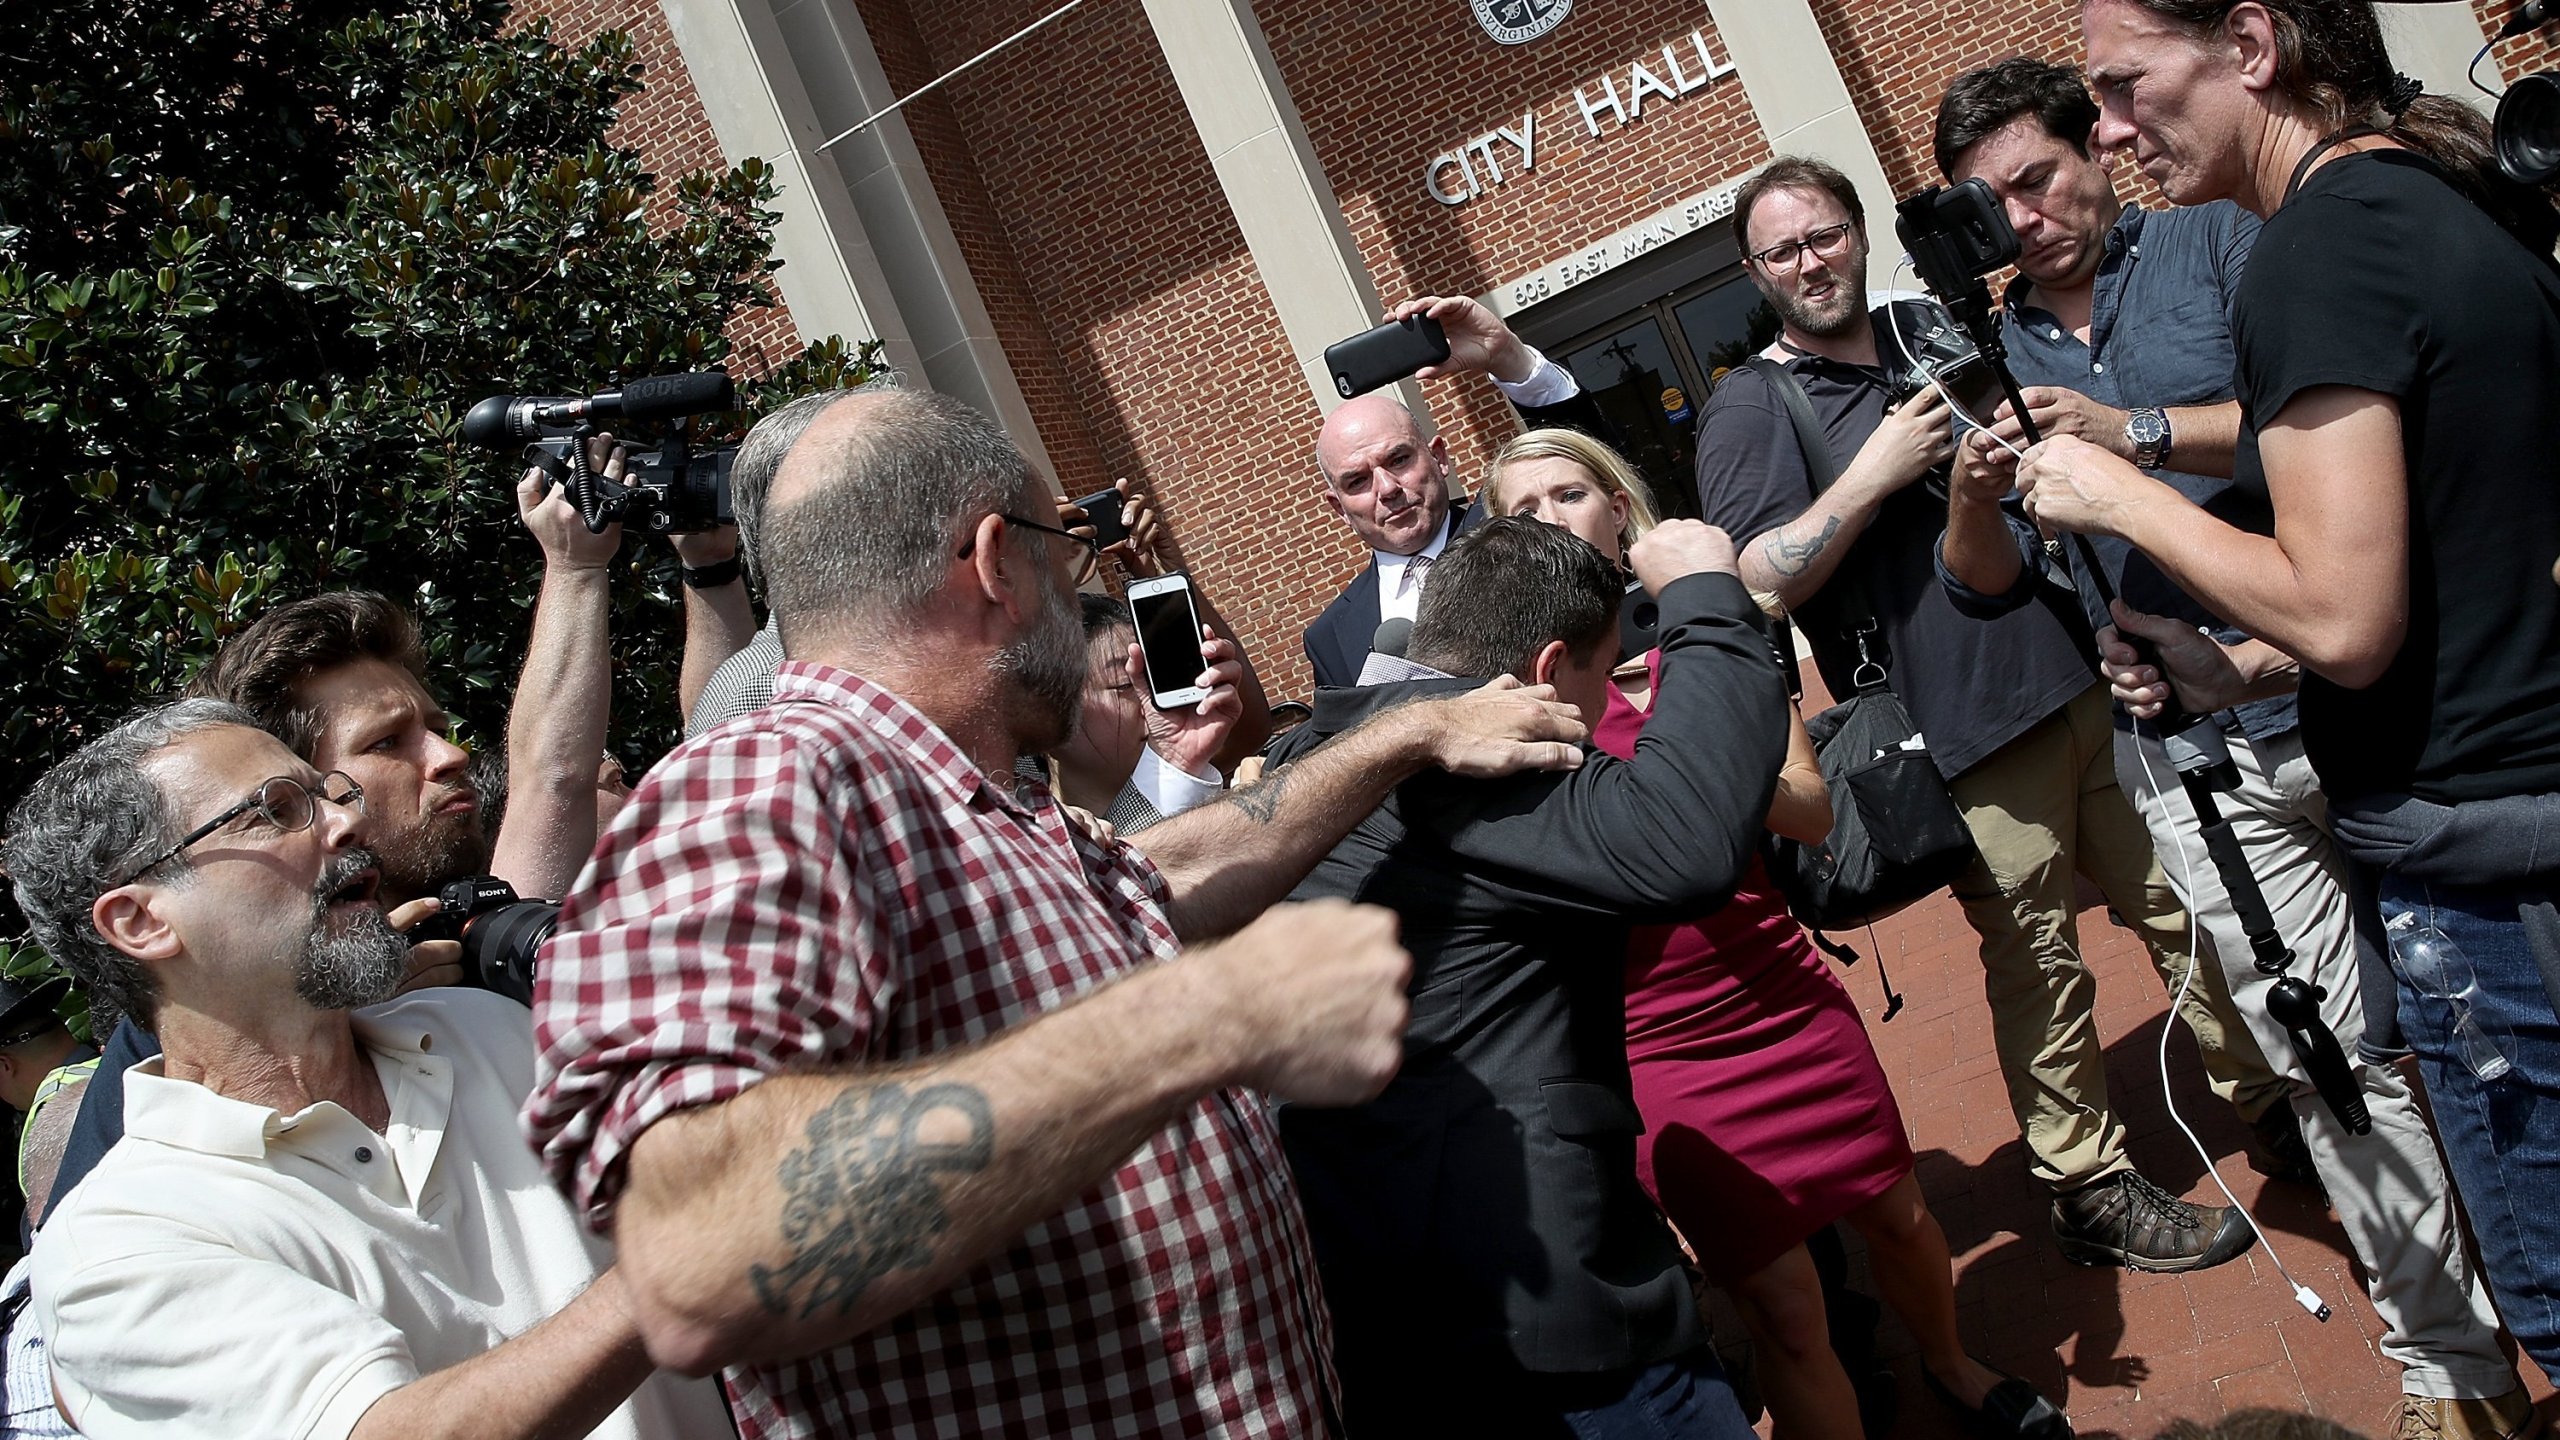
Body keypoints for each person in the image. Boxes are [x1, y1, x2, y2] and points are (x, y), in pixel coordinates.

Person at [524, 384, 1592, 1437]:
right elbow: (699, 1248)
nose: (1073, 586)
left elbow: (1167, 873)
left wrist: (1407, 733)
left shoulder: (980, 796)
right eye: (1057, 552)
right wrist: (1197, 1018)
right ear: (995, 560)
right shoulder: (769, 785)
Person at [1933, 56, 2527, 1426]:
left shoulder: (2222, 236)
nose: (2024, 219)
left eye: (2039, 178)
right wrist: (1973, 490)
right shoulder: (1987, 354)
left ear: (2096, 147)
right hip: (2202, 762)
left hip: (2369, 696)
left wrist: (2132, 437)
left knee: (2486, 997)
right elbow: (1984, 578)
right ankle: (2452, 1362)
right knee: (2325, 1052)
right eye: (1990, 204)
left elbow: (2334, 417)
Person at [1690, 153, 2286, 1272]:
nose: (1808, 263)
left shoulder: (1926, 330)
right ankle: (2086, 1181)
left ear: (1857, 235)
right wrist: (1872, 472)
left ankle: (2271, 1098)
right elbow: (1755, 581)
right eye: (1782, 250)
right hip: (1950, 729)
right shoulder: (1749, 405)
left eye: (1823, 236)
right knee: (2039, 962)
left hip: (2075, 669)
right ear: (1752, 268)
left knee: (2181, 907)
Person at [1486, 431, 2071, 1439]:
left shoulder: (1702, 645)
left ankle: (1949, 1362)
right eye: (1521, 508)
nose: (1550, 516)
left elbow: (1808, 810)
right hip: (1654, 1041)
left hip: (1782, 995)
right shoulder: (1508, 705)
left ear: (1619, 510)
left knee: (1902, 1218)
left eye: (1569, 491)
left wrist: (1696, 725)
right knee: (1787, 1312)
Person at [3, 699, 732, 1439]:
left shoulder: (499, 1031)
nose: (344, 822)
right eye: (275, 811)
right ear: (142, 921)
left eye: (327, 791)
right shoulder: (117, 1245)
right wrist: (692, 1250)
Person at [1269, 513, 1779, 1437]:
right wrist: (1706, 597)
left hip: (1390, 1294)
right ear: (1547, 672)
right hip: (1552, 1323)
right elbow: (1688, 838)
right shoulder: (1468, 770)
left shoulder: (1319, 754)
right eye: (1606, 672)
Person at [44, 448, 649, 1211]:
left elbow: (550, 784)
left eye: (437, 725)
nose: (452, 754)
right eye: (386, 743)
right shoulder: (172, 1048)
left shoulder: (472, 921)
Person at [1302, 295, 1613, 689]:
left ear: (1439, 458)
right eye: (1357, 481)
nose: (1387, 489)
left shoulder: (1517, 521)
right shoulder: (1329, 637)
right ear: (1338, 507)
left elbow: (1589, 460)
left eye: (1399, 460)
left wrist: (1509, 357)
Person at [1050, 594, 1234, 834]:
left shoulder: (1207, 804)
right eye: (1126, 684)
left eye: (1155, 680)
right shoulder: (1037, 846)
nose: (1153, 705)